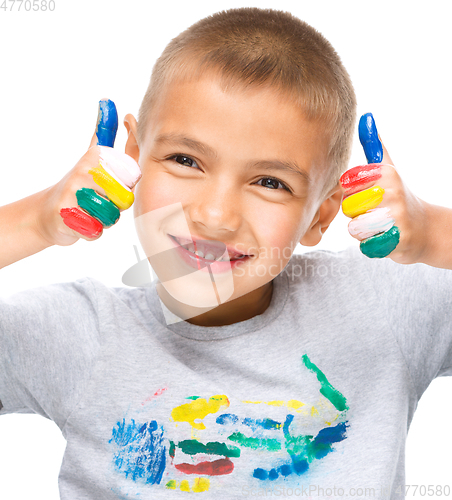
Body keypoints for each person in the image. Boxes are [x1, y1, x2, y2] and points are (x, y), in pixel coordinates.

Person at [1, 7, 451, 499]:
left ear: (322, 215)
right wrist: (33, 221)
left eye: (269, 182)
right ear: (131, 157)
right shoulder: (77, 334)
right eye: (185, 160)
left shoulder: (383, 308)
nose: (215, 216)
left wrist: (432, 233)